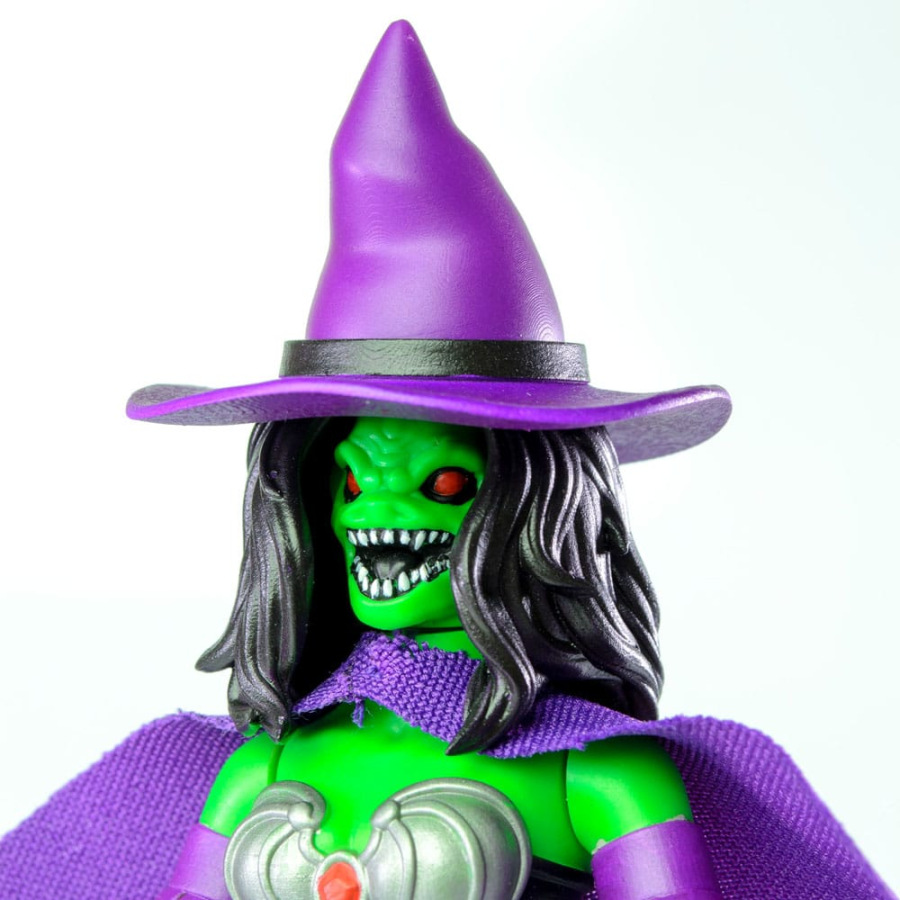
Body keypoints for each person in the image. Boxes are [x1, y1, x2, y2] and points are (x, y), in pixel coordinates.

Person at [0, 20, 891, 900]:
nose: (374, 509)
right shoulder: (258, 764)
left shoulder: (600, 774)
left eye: (444, 482)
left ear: (534, 508)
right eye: (352, 479)